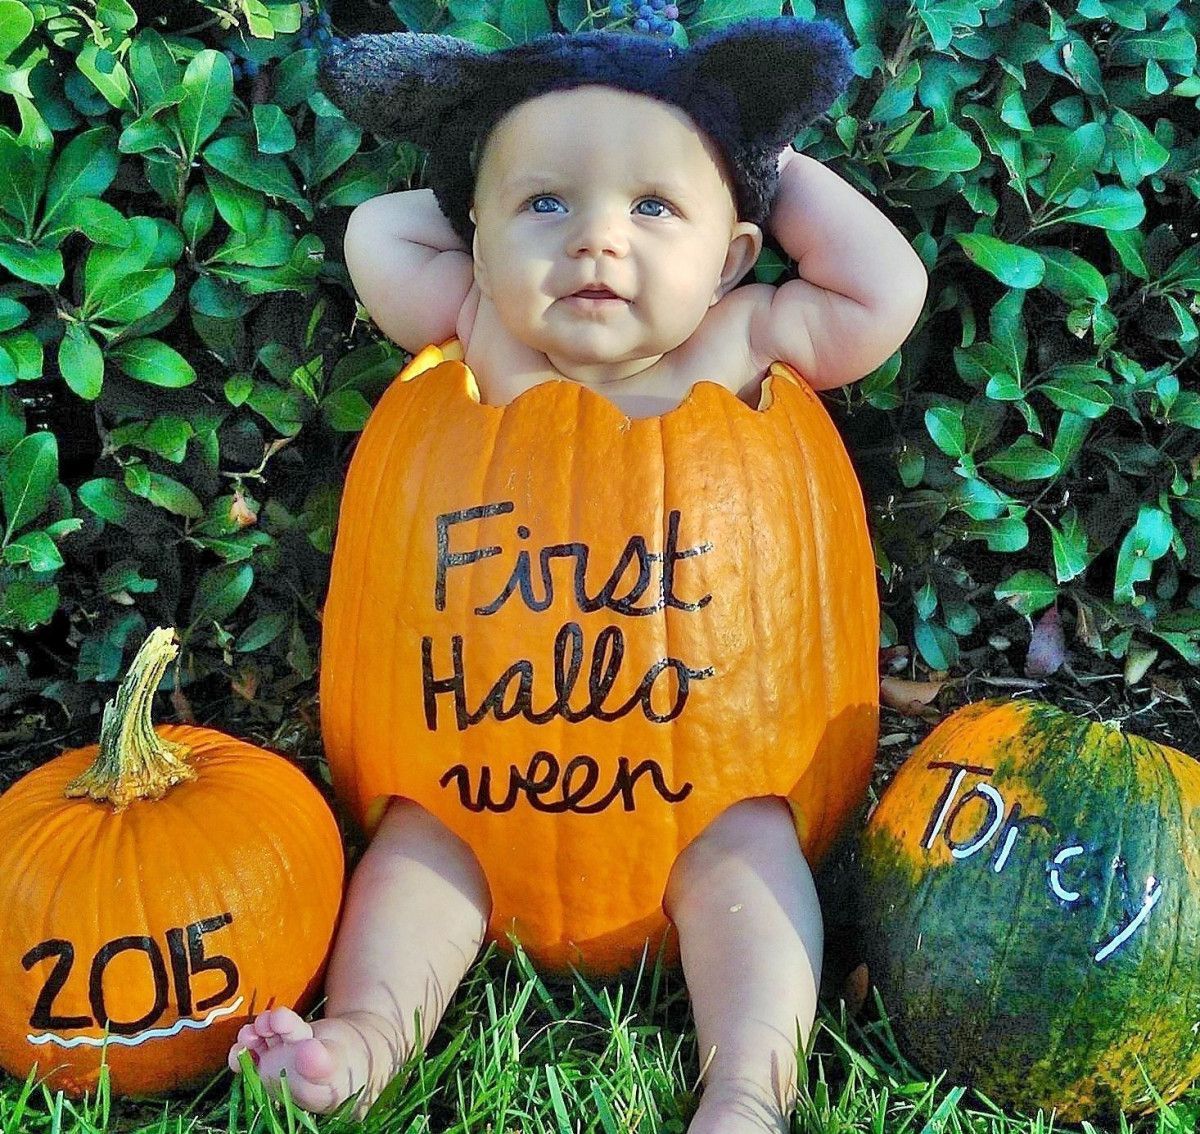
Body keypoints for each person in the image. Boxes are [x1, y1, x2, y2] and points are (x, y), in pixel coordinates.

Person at [228, 19, 927, 1134]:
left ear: (735, 254)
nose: (598, 240)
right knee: (416, 854)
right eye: (546, 205)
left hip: (707, 791)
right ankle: (365, 1036)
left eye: (655, 208)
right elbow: (377, 231)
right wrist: (492, 175)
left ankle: (748, 1088)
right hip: (472, 783)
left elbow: (882, 292)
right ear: (478, 242)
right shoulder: (475, 334)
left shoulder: (743, 339)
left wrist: (764, 159)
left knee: (754, 859)